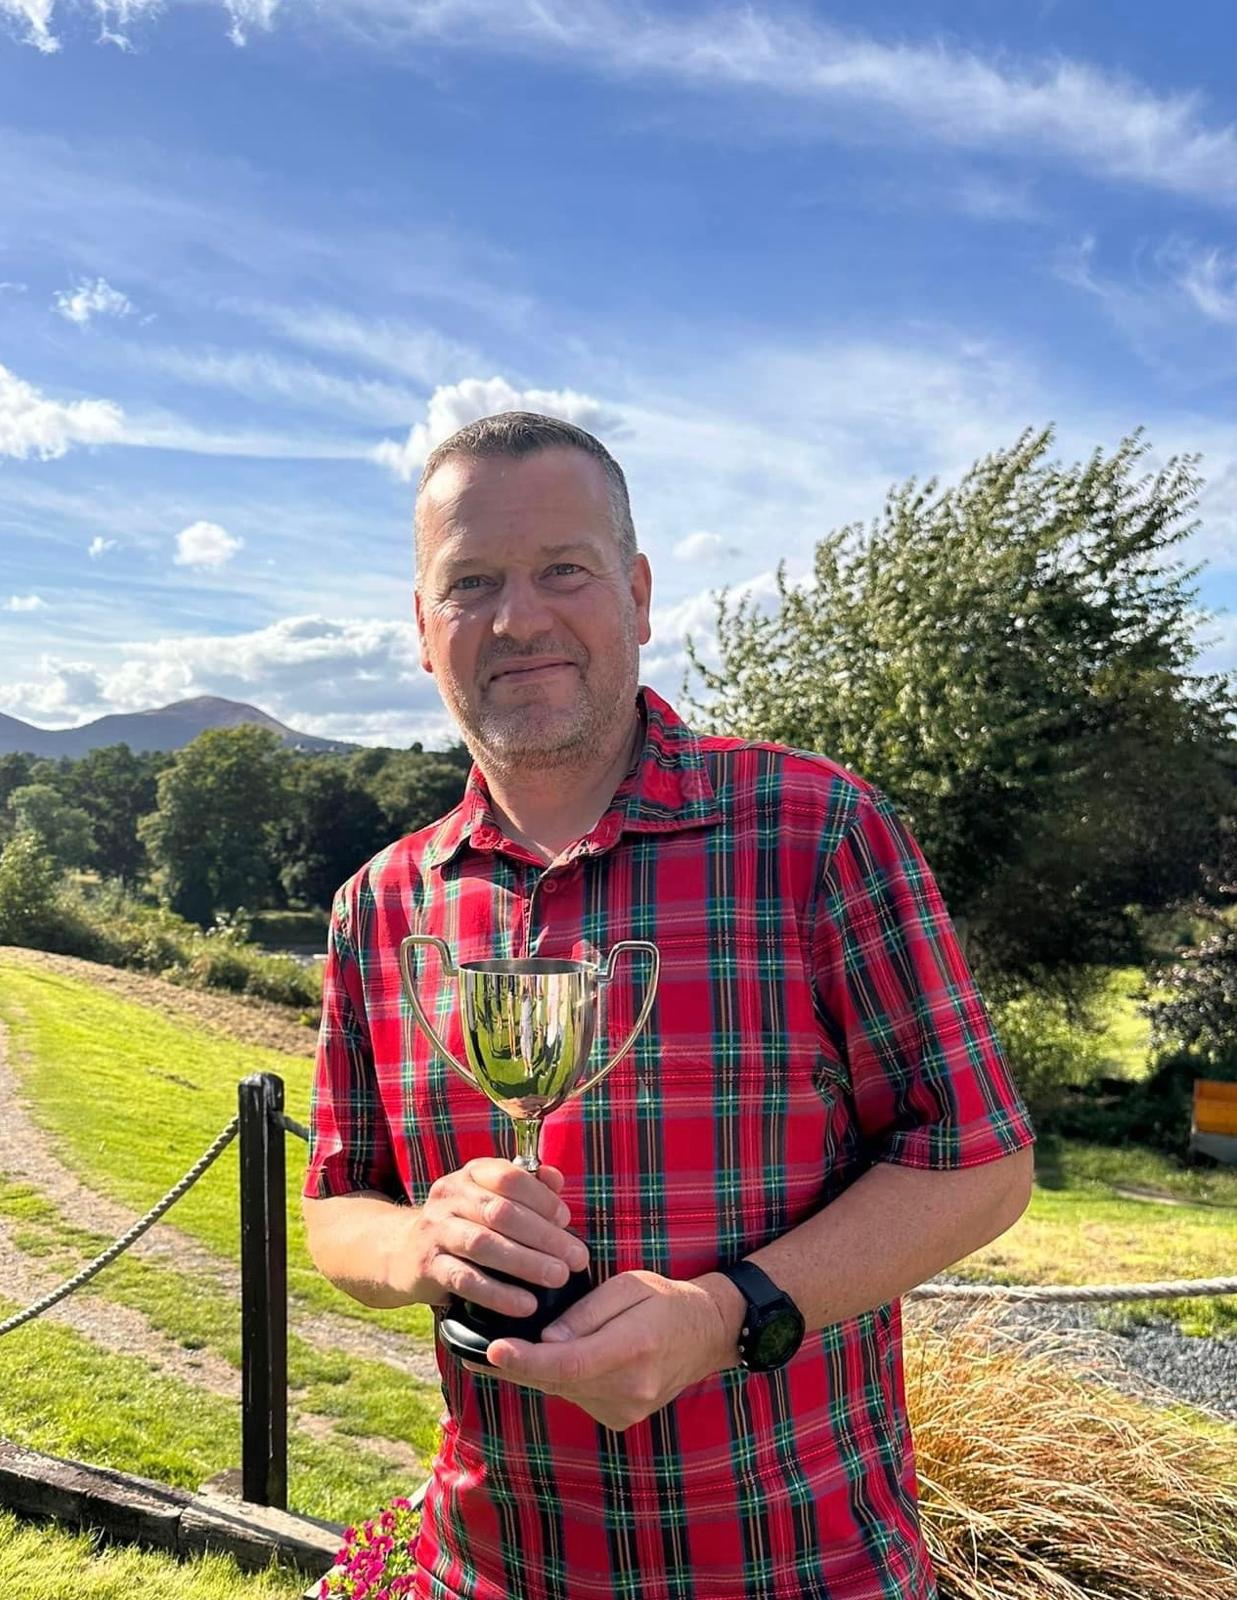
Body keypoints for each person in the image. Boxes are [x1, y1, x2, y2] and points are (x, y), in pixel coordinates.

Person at [302, 412, 1036, 1600]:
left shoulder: (812, 831)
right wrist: (417, 1242)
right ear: (423, 629)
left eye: (564, 569)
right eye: (470, 582)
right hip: (490, 1569)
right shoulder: (381, 905)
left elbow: (981, 1164)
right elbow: (339, 1204)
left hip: (805, 1571)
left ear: (638, 595)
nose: (517, 618)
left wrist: (726, 1314)